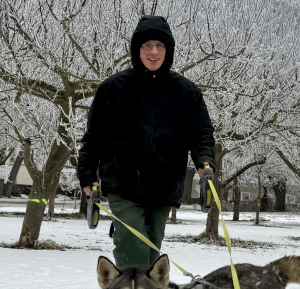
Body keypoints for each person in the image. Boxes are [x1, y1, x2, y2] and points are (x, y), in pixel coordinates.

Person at [77, 15, 216, 269]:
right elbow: (94, 137)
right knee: (133, 243)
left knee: (152, 249)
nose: (154, 52)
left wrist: (204, 162)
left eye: (160, 46)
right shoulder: (113, 88)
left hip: (163, 185)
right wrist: (87, 175)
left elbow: (201, 134)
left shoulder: (186, 92)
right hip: (122, 183)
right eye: (147, 46)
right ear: (136, 49)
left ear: (168, 50)